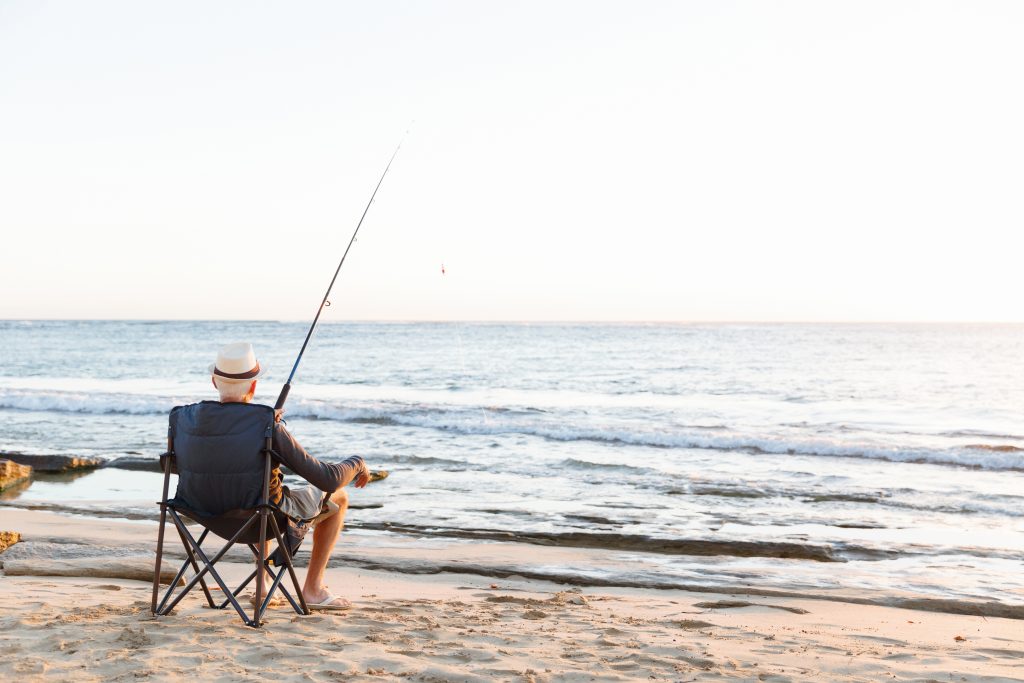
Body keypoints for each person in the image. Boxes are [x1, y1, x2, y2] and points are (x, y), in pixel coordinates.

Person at [207, 341, 368, 611]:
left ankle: (262, 583)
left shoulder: (188, 421)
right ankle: (313, 589)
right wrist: (356, 462)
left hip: (208, 514)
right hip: (260, 516)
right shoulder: (267, 426)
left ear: (214, 382)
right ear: (254, 386)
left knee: (261, 494)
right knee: (336, 496)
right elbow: (326, 479)